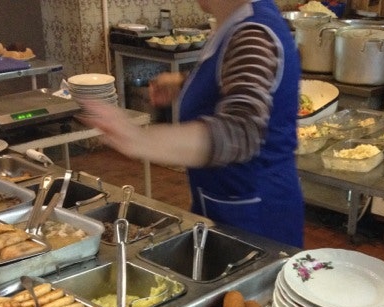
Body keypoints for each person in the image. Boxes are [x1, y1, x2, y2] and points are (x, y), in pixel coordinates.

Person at [79, 0, 304, 247]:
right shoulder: (237, 21)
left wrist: (139, 138)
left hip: (257, 221)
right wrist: (186, 84)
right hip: (228, 205)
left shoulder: (253, 35)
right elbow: (236, 81)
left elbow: (240, 132)